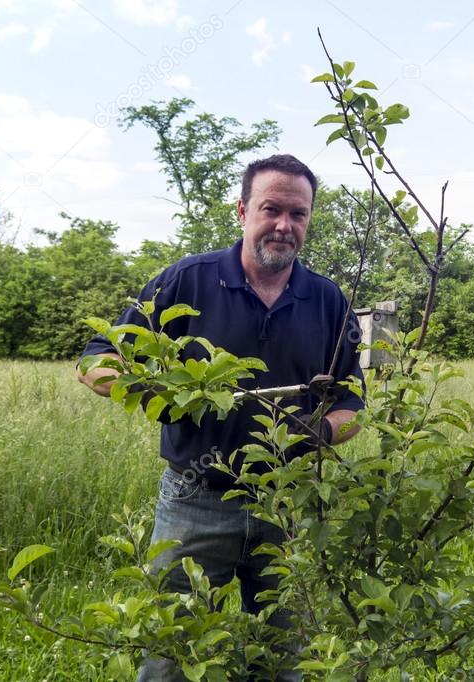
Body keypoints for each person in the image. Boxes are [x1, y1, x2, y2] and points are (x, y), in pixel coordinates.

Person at [76, 154, 365, 681]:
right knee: (172, 653)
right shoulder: (187, 281)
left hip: (287, 503)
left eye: (297, 214)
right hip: (196, 498)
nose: (284, 225)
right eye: (271, 209)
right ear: (242, 210)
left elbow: (352, 405)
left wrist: (321, 431)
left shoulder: (327, 301)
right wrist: (154, 393)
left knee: (285, 656)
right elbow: (97, 360)